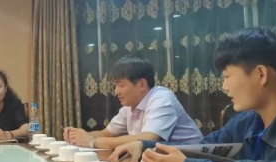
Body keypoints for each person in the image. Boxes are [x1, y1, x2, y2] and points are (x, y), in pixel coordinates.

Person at [109, 27, 276, 162]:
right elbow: (201, 149)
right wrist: (145, 147)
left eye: (227, 76)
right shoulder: (246, 122)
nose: (224, 87)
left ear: (261, 74)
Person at [63, 55, 202, 149]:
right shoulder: (129, 106)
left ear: (141, 84)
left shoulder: (162, 100)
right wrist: (79, 135)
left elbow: (146, 140)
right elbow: (106, 133)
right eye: (115, 86)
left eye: (121, 85)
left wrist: (92, 141)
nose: (116, 92)